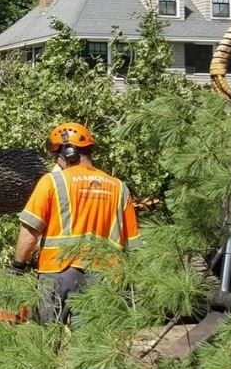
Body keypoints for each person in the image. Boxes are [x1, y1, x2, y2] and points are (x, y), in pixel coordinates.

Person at [11, 122, 141, 324]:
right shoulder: (120, 188)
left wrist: (18, 264)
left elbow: (30, 230)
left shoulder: (52, 181)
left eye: (56, 155)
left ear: (68, 151)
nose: (56, 161)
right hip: (105, 277)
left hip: (58, 271)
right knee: (91, 348)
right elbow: (133, 243)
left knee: (46, 343)